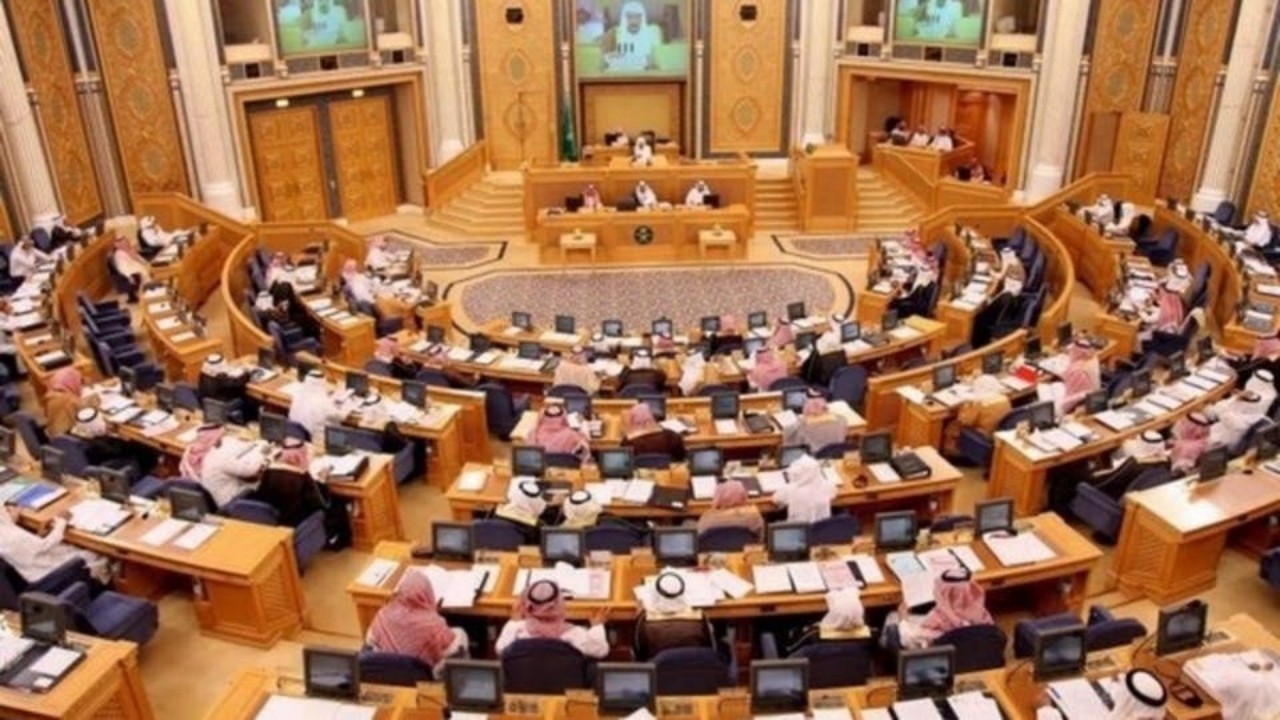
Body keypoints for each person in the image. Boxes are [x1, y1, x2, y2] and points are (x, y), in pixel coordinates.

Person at [366, 572, 469, 675]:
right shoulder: (434, 625)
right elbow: (452, 649)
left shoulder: (383, 614)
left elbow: (369, 640)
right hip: (423, 677)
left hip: (386, 674)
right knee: (460, 634)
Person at [496, 580, 610, 657]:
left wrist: (514, 621)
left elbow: (500, 649)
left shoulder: (517, 630)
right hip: (568, 685)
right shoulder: (575, 635)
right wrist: (597, 626)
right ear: (560, 603)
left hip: (524, 684)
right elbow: (601, 650)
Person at [0, 506, 110, 584]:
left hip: (35, 570)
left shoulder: (5, 532)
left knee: (70, 547)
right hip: (51, 572)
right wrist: (62, 521)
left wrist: (10, 521)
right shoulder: (12, 536)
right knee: (96, 554)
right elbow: (46, 544)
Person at [892, 567, 993, 649]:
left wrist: (903, 619)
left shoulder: (938, 619)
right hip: (976, 658)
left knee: (892, 618)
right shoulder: (983, 615)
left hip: (943, 661)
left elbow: (908, 639)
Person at [636, 572, 713, 660]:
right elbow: (710, 647)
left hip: (658, 667)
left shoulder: (644, 621)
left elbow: (640, 653)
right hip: (696, 666)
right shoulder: (700, 618)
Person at [195, 428, 270, 508]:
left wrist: (254, 445)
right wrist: (263, 451)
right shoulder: (223, 458)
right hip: (228, 503)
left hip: (216, 498)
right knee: (264, 481)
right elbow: (251, 470)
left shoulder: (210, 454)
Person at [944, 374, 1011, 456]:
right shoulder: (1004, 398)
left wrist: (964, 407)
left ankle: (952, 452)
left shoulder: (979, 403)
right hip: (998, 434)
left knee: (952, 426)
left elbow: (965, 422)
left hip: (985, 436)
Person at [1038, 338, 1101, 417]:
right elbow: (1065, 374)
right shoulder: (1090, 360)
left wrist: (1043, 380)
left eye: (1073, 350)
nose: (1071, 352)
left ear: (1076, 352)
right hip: (1089, 398)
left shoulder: (1077, 370)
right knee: (1056, 385)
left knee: (1043, 387)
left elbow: (1066, 375)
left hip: (1072, 402)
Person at [288, 369, 350, 441]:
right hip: (318, 441)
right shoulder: (324, 402)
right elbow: (341, 416)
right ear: (322, 382)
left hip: (296, 437)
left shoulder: (297, 395)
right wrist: (348, 405)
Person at [771, 454, 834, 523]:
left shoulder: (790, 490)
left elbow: (776, 499)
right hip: (822, 527)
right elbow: (833, 493)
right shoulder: (827, 486)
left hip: (797, 528)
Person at [601, 1, 658, 74]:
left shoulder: (651, 33)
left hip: (645, 76)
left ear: (642, 18)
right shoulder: (613, 34)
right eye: (630, 17)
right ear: (624, 18)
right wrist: (612, 57)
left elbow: (656, 62)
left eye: (637, 17)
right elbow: (603, 61)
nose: (633, 21)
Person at [784, 391, 850, 455]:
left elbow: (785, 436)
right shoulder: (842, 420)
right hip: (833, 459)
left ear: (807, 408)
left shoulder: (800, 425)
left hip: (806, 459)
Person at [696, 479, 764, 537]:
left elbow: (700, 537)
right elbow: (760, 537)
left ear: (718, 497)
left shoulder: (707, 519)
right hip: (745, 548)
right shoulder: (754, 516)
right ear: (743, 495)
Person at [45, 367, 97, 436]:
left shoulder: (53, 395)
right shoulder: (68, 399)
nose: (79, 385)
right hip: (68, 437)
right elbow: (85, 408)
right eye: (78, 381)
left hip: (56, 436)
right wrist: (95, 399)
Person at [109, 235, 149, 302]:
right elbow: (123, 268)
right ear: (118, 245)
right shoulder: (119, 254)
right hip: (136, 272)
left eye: (127, 243)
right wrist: (130, 276)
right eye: (124, 244)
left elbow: (142, 261)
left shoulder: (129, 250)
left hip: (142, 268)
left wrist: (135, 256)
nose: (127, 245)